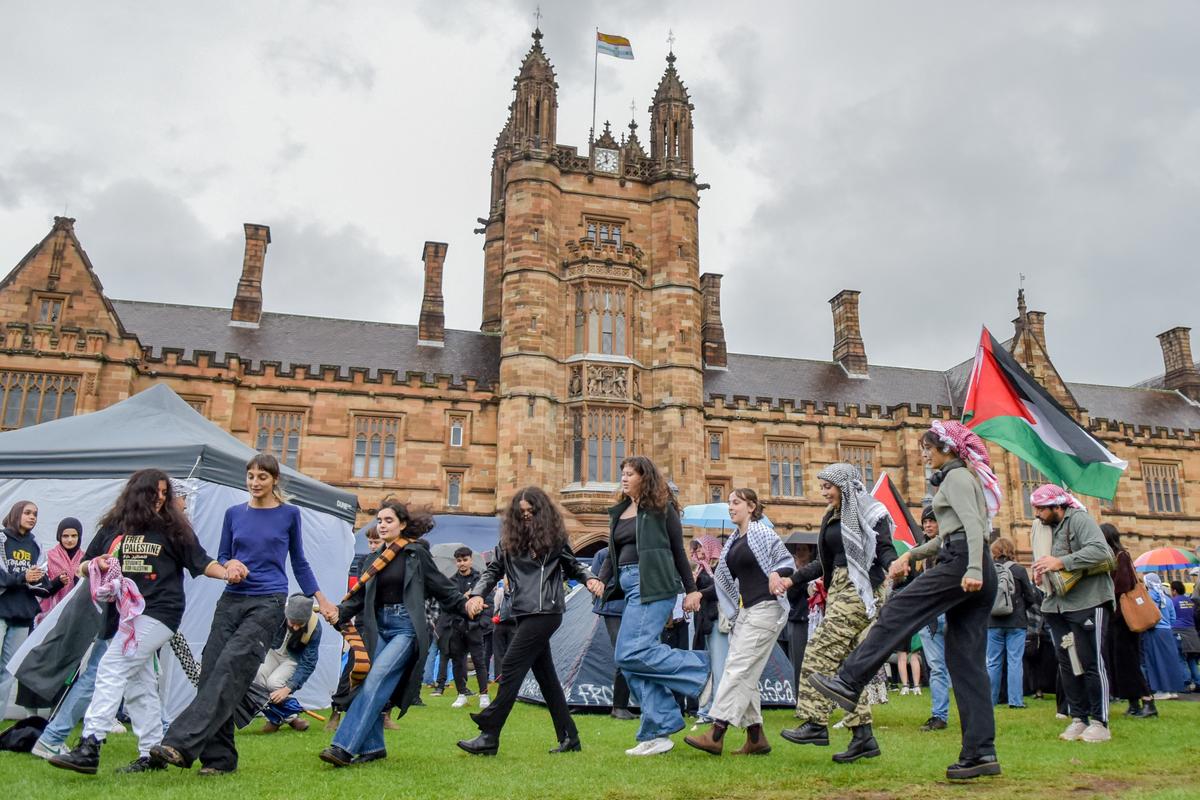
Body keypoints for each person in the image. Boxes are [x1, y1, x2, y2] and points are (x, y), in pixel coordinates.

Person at [807, 420, 1002, 780]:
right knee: (966, 663)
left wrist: (973, 567)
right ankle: (980, 753)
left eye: (927, 448)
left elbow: (975, 527)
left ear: (946, 449)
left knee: (897, 609)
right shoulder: (960, 478)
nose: (924, 455)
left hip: (964, 563)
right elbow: (949, 534)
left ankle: (850, 680)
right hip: (970, 563)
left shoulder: (957, 478)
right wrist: (912, 554)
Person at [152, 454, 339, 775]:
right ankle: (220, 760)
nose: (254, 482)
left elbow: (299, 562)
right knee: (211, 673)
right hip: (232, 598)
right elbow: (224, 555)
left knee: (230, 667)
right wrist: (230, 565)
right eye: (250, 476)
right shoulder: (234, 513)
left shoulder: (289, 514)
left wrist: (322, 599)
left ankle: (178, 744)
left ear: (274, 479)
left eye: (262, 477)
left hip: (268, 601)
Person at [48, 470, 233, 775]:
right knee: (139, 683)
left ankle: (90, 745)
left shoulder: (173, 528)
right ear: (137, 494)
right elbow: (83, 564)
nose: (161, 498)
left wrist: (227, 572)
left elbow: (202, 562)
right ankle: (152, 754)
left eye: (165, 493)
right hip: (124, 616)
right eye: (155, 492)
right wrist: (96, 564)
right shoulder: (114, 527)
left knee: (112, 666)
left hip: (160, 612)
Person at [318, 501, 472, 766]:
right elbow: (359, 598)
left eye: (388, 520)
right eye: (379, 520)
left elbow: (442, 588)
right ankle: (374, 747)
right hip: (378, 627)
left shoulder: (415, 554)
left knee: (376, 679)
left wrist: (467, 605)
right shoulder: (373, 560)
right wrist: (339, 611)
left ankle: (342, 747)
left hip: (406, 628)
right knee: (367, 683)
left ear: (402, 524)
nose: (382, 525)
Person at [458, 487, 603, 755]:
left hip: (547, 611)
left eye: (531, 511)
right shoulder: (508, 542)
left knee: (511, 665)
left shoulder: (554, 538)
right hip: (522, 612)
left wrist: (590, 579)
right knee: (546, 677)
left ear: (541, 511)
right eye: (521, 512)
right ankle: (570, 737)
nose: (525, 516)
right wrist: (477, 594)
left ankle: (490, 732)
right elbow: (492, 571)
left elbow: (573, 565)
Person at [779, 463, 898, 763]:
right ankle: (863, 737)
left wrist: (894, 564)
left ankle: (815, 722)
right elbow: (825, 562)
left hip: (861, 590)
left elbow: (884, 548)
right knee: (847, 666)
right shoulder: (831, 516)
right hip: (839, 590)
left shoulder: (871, 511)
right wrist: (793, 579)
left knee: (819, 651)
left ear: (844, 486)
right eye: (822, 487)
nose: (823, 492)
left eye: (827, 487)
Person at [596, 456, 708, 757]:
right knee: (630, 659)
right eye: (622, 473)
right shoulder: (621, 511)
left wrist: (691, 590)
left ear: (644, 477)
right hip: (630, 587)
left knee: (630, 652)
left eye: (630, 474)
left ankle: (702, 670)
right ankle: (659, 731)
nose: (623, 478)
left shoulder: (662, 508)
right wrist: (600, 580)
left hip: (654, 584)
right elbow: (612, 553)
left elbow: (678, 551)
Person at [685, 488, 794, 756]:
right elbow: (723, 583)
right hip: (747, 612)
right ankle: (756, 737)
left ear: (751, 507)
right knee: (745, 671)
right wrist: (701, 593)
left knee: (738, 668)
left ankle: (717, 731)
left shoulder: (763, 533)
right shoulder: (734, 541)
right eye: (729, 503)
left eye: (736, 502)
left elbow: (786, 562)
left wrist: (776, 574)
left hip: (766, 609)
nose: (731, 507)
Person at [1029, 484, 1116, 744]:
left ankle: (1100, 722)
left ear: (1057, 506)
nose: (1037, 514)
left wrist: (1061, 562)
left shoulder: (1079, 519)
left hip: (1088, 601)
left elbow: (1102, 551)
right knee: (1069, 664)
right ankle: (1079, 718)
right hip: (1057, 605)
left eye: (1041, 509)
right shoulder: (1048, 528)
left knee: (1090, 662)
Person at [327, 525, 383, 733]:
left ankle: (383, 713)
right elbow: (361, 593)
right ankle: (338, 707)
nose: (373, 546)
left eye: (376, 542)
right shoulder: (365, 561)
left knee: (382, 668)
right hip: (364, 620)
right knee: (356, 663)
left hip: (384, 622)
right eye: (370, 542)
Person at [0, 500, 51, 713]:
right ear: (16, 513)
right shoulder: (2, 539)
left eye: (35, 514)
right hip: (2, 610)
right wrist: (23, 577)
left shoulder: (35, 544)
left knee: (8, 672)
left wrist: (42, 580)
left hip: (22, 614)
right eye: (27, 512)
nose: (32, 517)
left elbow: (41, 578)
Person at [1100, 524, 1155, 718]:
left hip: (1125, 618)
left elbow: (1123, 584)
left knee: (1129, 660)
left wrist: (1104, 589)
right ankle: (1133, 703)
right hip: (1116, 618)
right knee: (1120, 662)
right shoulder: (1110, 558)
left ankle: (1148, 701)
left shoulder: (1121, 556)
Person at [256, 594, 323, 732]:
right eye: (293, 623)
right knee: (258, 677)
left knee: (274, 683)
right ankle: (288, 718)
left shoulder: (315, 628)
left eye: (300, 624)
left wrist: (288, 688)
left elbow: (308, 662)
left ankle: (278, 720)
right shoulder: (275, 613)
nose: (296, 628)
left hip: (293, 658)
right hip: (272, 651)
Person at [986, 537, 1039, 708]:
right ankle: (1015, 701)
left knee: (993, 662)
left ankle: (991, 700)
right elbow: (1030, 597)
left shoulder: (988, 570)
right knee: (1015, 661)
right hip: (1016, 621)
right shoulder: (1019, 570)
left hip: (993, 621)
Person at [439, 546, 491, 709]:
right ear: (456, 562)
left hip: (475, 626)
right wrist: (463, 598)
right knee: (457, 662)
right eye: (459, 560)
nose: (462, 563)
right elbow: (446, 605)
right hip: (456, 627)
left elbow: (488, 602)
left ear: (471, 560)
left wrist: (482, 622)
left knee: (479, 661)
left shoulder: (480, 580)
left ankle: (484, 695)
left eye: (465, 560)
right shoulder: (451, 581)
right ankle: (461, 694)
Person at [915, 507, 951, 732]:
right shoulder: (922, 554)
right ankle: (939, 715)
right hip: (930, 616)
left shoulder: (951, 547)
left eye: (932, 521)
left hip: (949, 612)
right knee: (936, 667)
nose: (928, 525)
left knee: (961, 666)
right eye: (925, 522)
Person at [591, 546, 633, 720]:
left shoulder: (633, 551)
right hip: (613, 609)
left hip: (631, 608)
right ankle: (619, 706)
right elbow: (594, 581)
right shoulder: (603, 553)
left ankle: (622, 705)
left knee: (630, 654)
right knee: (623, 654)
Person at [1141, 573, 1184, 699]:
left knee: (1156, 661)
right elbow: (1173, 618)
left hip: (1154, 632)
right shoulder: (1167, 598)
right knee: (1169, 661)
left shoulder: (1148, 596)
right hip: (1167, 632)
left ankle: (1161, 690)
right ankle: (1172, 690)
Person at [37, 517, 85, 624]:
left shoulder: (85, 559)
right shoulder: (48, 557)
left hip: (77, 612)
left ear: (79, 536)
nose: (70, 540)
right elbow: (41, 589)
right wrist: (58, 582)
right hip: (51, 613)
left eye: (74, 536)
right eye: (65, 536)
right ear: (59, 536)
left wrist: (78, 580)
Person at [784, 544, 813, 694]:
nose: (800, 552)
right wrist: (799, 579)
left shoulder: (816, 572)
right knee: (798, 661)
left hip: (813, 618)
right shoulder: (792, 573)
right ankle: (798, 696)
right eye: (798, 550)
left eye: (804, 549)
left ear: (810, 552)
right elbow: (791, 596)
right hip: (797, 620)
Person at [1169, 580, 1200, 691]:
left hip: (1178, 631)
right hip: (1192, 632)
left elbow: (1170, 616)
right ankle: (1198, 682)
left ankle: (1186, 682)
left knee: (1180, 658)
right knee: (1192, 659)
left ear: (1174, 591)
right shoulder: (1190, 601)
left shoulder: (1173, 601)